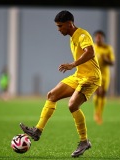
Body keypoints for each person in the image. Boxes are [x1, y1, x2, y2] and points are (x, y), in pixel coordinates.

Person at [19, 10, 101, 157]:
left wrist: (72, 64)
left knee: (72, 105)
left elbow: (90, 52)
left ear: (69, 24)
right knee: (52, 95)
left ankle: (84, 141)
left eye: (60, 26)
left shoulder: (82, 35)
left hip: (91, 77)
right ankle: (37, 131)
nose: (58, 29)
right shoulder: (72, 38)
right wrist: (75, 67)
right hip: (79, 76)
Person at [92, 30, 115, 125]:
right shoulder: (92, 47)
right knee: (97, 93)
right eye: (97, 37)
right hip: (95, 74)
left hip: (105, 74)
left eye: (100, 37)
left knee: (103, 94)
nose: (98, 39)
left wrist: (106, 60)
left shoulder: (108, 48)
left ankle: (99, 113)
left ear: (103, 39)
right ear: (94, 38)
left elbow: (112, 63)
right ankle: (97, 112)